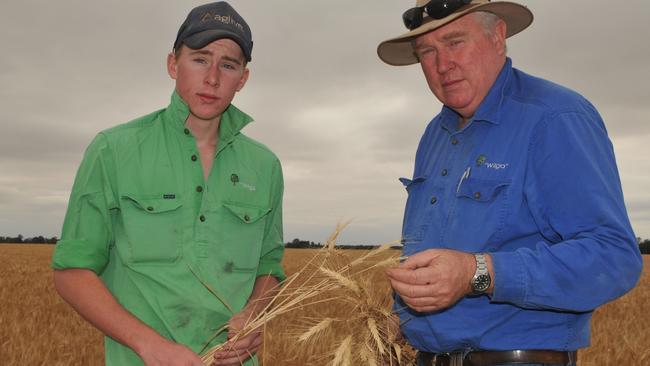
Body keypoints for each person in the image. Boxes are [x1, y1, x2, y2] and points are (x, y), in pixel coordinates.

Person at [378, 1, 643, 365]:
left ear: (498, 36)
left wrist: (477, 272)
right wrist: (397, 321)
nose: (442, 64)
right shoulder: (434, 134)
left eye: (455, 42)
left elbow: (613, 258)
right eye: (427, 51)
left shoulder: (554, 117)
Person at [51, 2, 285, 365]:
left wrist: (255, 315)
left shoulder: (264, 165)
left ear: (243, 78)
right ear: (173, 65)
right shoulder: (113, 150)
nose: (212, 78)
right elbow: (71, 271)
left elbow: (269, 266)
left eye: (228, 65)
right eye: (199, 59)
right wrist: (149, 345)